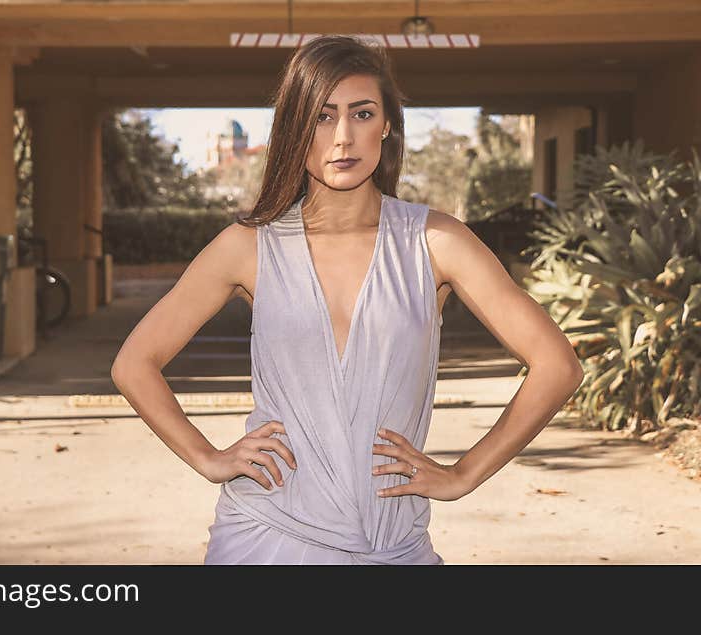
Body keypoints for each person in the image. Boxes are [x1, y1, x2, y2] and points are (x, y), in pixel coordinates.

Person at [110, 35, 585, 565]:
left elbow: (556, 365)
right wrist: (207, 458)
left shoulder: (436, 242)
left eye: (362, 113)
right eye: (321, 116)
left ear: (385, 125)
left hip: (393, 542)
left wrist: (463, 474)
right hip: (265, 533)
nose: (343, 137)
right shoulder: (247, 247)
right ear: (294, 128)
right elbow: (135, 363)